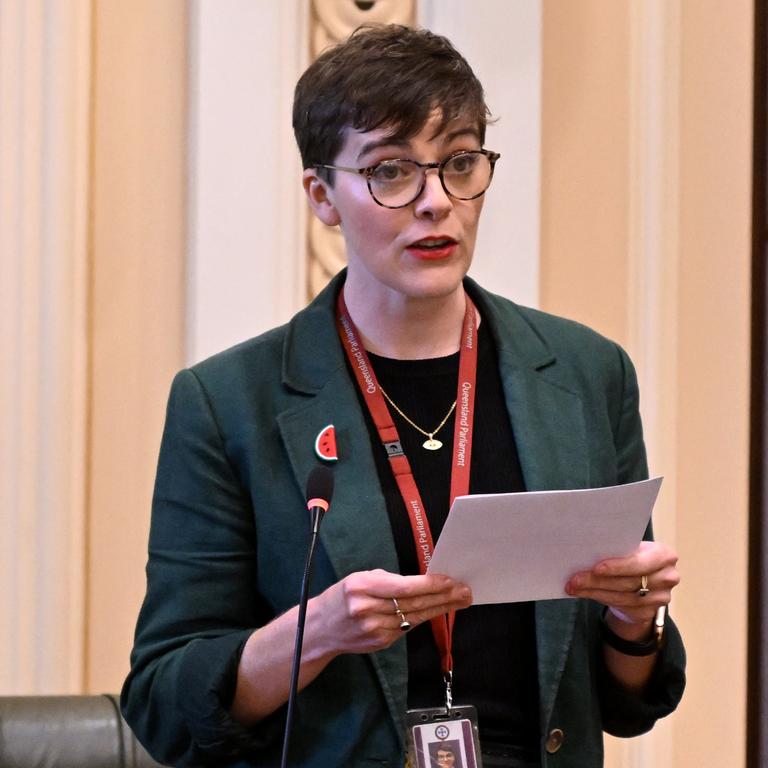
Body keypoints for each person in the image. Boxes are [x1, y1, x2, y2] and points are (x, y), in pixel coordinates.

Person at [121, 24, 685, 768]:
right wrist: (317, 631)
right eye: (391, 171)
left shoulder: (586, 373)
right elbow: (165, 704)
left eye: (458, 162)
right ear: (322, 196)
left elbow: (627, 702)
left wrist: (634, 619)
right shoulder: (228, 402)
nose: (435, 202)